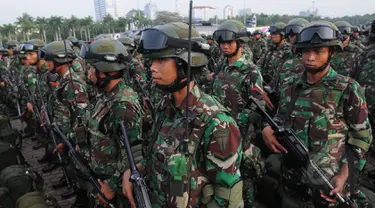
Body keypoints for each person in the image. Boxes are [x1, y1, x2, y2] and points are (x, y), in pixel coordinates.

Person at [122, 22, 244, 208]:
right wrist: (136, 170)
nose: (152, 68)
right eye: (152, 61)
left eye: (161, 61)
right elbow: (157, 158)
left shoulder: (217, 123)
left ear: (184, 63)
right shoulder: (166, 106)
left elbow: (227, 200)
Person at [262, 20, 373, 207]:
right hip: (292, 180)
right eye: (306, 51)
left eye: (318, 52)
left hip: (328, 183)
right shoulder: (291, 85)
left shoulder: (347, 88)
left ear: (332, 53)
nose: (310, 58)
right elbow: (281, 118)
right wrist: (267, 128)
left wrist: (344, 175)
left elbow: (361, 137)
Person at [211, 20, 265, 206]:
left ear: (240, 43)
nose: (224, 46)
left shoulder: (251, 71)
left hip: (241, 137)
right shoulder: (220, 67)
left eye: (229, 42)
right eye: (222, 43)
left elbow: (258, 105)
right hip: (219, 134)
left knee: (244, 184)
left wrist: (237, 123)